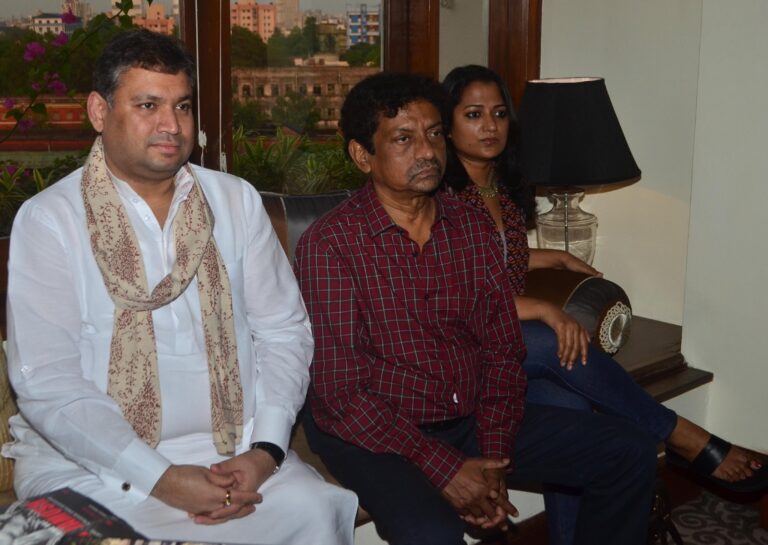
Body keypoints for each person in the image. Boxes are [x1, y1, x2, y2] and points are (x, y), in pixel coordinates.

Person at [1, 29, 357, 544]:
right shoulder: (51, 219)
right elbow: (48, 382)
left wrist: (266, 452)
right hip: (91, 466)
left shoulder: (234, 202)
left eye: (183, 106)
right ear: (99, 112)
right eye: (149, 104)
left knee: (313, 510)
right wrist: (161, 479)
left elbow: (283, 331)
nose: (172, 126)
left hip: (231, 455)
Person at [295, 71, 657, 545]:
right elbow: (341, 394)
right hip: (376, 433)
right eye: (403, 139)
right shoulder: (332, 244)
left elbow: (503, 351)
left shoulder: (468, 225)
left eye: (434, 134)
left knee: (628, 450)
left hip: (467, 418)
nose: (426, 152)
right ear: (363, 155)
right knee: (431, 532)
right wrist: (444, 468)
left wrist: (494, 456)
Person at [441, 63, 768, 542]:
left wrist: (546, 255)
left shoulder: (499, 186)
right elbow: (457, 292)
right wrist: (545, 307)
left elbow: (492, 259)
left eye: (498, 113)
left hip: (509, 351)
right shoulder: (441, 195)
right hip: (463, 347)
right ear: (446, 126)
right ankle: (677, 432)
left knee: (571, 407)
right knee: (551, 336)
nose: (489, 125)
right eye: (473, 114)